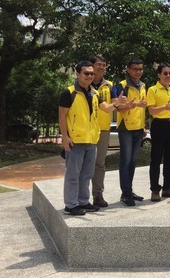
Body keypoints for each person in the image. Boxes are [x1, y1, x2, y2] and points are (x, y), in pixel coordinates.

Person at [59, 61, 124, 215]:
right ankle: (71, 204)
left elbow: (105, 109)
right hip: (76, 140)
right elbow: (62, 116)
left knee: (87, 174)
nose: (89, 76)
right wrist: (65, 137)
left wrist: (116, 104)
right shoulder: (69, 93)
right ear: (78, 74)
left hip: (91, 140)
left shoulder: (94, 93)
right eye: (86, 73)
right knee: (73, 174)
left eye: (91, 73)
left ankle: (83, 201)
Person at [112, 58, 147, 207]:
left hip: (138, 128)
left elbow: (142, 108)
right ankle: (125, 194)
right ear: (128, 69)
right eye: (135, 69)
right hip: (125, 128)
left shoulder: (143, 86)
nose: (138, 72)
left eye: (140, 69)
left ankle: (129, 190)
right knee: (125, 161)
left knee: (132, 162)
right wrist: (131, 106)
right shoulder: (121, 86)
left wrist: (144, 126)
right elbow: (118, 108)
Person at [147, 63, 170, 202]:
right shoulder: (152, 90)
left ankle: (168, 188)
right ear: (159, 75)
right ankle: (155, 190)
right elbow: (151, 111)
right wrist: (163, 107)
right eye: (165, 73)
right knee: (156, 158)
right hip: (159, 124)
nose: (168, 76)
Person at [90, 55, 113, 208]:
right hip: (86, 129)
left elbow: (115, 103)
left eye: (104, 65)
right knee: (84, 164)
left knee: (99, 164)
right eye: (99, 64)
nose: (101, 67)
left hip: (104, 129)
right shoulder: (83, 83)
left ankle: (98, 195)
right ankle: (81, 197)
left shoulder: (110, 85)